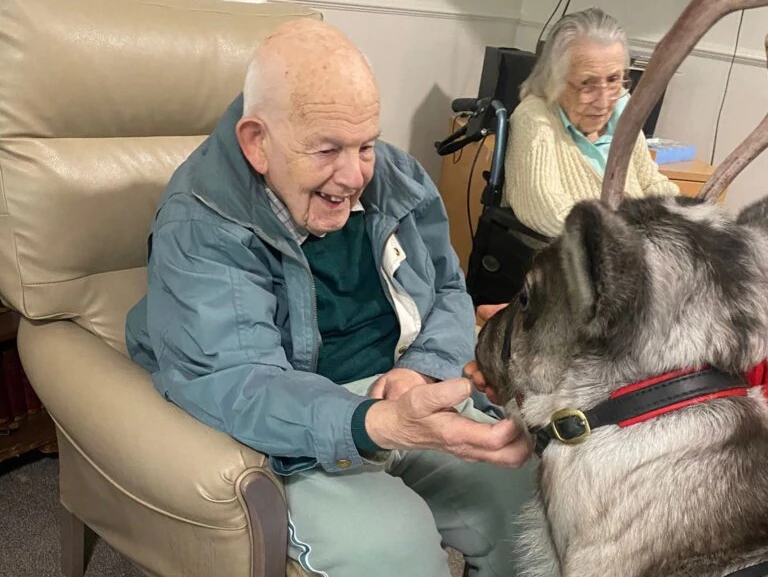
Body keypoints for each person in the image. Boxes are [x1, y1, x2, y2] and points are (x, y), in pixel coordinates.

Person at [125, 17, 534, 577]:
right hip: (289, 426)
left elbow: (445, 289)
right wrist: (376, 422)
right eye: (327, 150)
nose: (354, 175)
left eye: (365, 144)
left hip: (398, 386)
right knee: (394, 552)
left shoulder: (397, 177)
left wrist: (422, 372)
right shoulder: (201, 223)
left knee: (524, 502)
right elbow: (240, 380)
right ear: (257, 142)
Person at [504, 7, 679, 237]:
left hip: (641, 249)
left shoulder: (622, 108)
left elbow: (650, 183)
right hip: (578, 262)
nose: (604, 101)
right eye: (587, 83)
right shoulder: (534, 118)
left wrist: (686, 217)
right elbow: (547, 210)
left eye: (614, 79)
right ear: (554, 79)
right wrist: (631, 242)